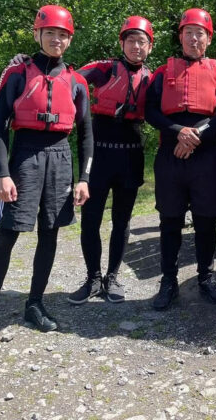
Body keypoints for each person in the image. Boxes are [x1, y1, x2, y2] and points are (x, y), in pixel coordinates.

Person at [0, 5, 92, 347]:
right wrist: (2, 173)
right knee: (7, 234)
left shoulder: (77, 82)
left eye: (63, 35)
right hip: (25, 155)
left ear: (69, 39)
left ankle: (34, 303)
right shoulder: (18, 74)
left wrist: (84, 178)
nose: (56, 40)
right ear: (37, 34)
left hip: (61, 157)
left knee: (50, 233)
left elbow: (86, 135)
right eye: (50, 33)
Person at [144, 8, 216, 310]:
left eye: (200, 33)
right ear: (180, 36)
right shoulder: (161, 72)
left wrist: (195, 135)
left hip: (206, 154)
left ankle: (206, 278)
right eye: (188, 32)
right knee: (170, 220)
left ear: (208, 39)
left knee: (205, 220)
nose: (194, 38)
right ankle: (168, 281)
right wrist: (177, 131)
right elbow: (151, 111)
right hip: (171, 155)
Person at [67, 16, 154, 304]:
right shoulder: (104, 69)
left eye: (142, 42)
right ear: (122, 43)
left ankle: (112, 277)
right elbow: (65, 78)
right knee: (90, 219)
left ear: (150, 47)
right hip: (100, 152)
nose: (136, 46)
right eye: (131, 40)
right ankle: (93, 277)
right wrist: (26, 61)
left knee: (122, 220)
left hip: (130, 153)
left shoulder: (152, 78)